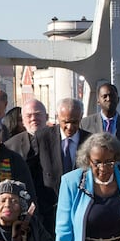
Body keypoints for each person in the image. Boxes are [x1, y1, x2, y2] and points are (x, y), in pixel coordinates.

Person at [34, 98, 92, 233]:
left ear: (81, 117)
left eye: (75, 122)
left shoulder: (90, 141)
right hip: (49, 213)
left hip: (80, 212)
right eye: (65, 122)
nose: (70, 127)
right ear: (57, 117)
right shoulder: (42, 138)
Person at [80, 83, 120, 149]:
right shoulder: (85, 124)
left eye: (112, 96)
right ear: (98, 101)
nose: (108, 99)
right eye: (104, 96)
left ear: (118, 99)